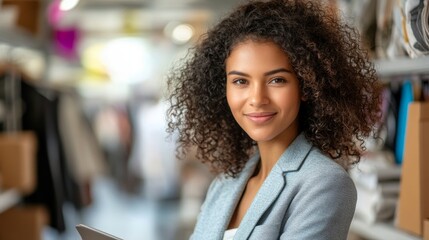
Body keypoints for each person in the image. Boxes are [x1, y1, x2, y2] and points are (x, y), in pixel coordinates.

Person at [166, 0, 382, 239]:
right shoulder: (225, 184)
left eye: (276, 80)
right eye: (240, 81)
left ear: (307, 86)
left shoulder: (324, 183)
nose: (257, 99)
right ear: (222, 88)